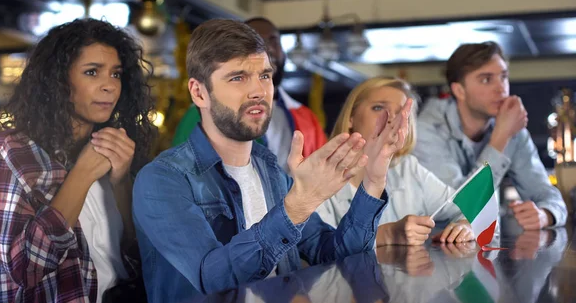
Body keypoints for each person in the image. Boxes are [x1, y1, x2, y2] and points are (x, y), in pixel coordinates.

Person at [132, 19, 411, 302]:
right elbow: (212, 278)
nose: (258, 91)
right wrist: (297, 206)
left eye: (264, 76)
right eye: (238, 77)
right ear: (199, 92)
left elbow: (337, 255)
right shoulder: (162, 179)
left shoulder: (270, 171)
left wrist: (373, 180)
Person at [0, 19, 155, 303]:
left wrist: (121, 183)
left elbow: (141, 257)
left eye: (116, 74)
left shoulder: (112, 147)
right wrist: (82, 174)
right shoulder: (10, 150)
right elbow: (26, 270)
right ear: (59, 80)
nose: (109, 86)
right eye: (92, 72)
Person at [414, 41, 567, 230]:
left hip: (478, 245)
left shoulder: (512, 129)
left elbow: (548, 196)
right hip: (430, 247)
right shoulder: (427, 130)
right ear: (459, 90)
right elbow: (457, 207)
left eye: (503, 77)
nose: (501, 88)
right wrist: (500, 138)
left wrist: (545, 215)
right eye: (486, 79)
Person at [316, 77, 474, 245]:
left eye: (401, 113)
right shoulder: (318, 177)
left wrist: (467, 226)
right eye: (378, 108)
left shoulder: (408, 168)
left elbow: (472, 209)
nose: (391, 118)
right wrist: (387, 235)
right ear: (351, 118)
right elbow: (316, 251)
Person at [171, 17, 327, 172]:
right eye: (238, 78)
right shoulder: (202, 113)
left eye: (264, 76)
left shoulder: (305, 117)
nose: (268, 48)